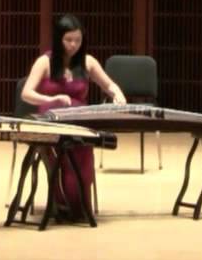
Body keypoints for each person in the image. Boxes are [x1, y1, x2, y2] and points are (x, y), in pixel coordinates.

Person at [20, 14, 127, 221]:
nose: (73, 45)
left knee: (83, 153)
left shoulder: (88, 62)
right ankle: (61, 204)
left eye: (77, 40)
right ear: (58, 39)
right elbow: (26, 93)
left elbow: (109, 85)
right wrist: (53, 98)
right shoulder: (45, 62)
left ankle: (78, 206)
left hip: (79, 121)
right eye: (68, 40)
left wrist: (117, 94)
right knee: (59, 155)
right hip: (51, 121)